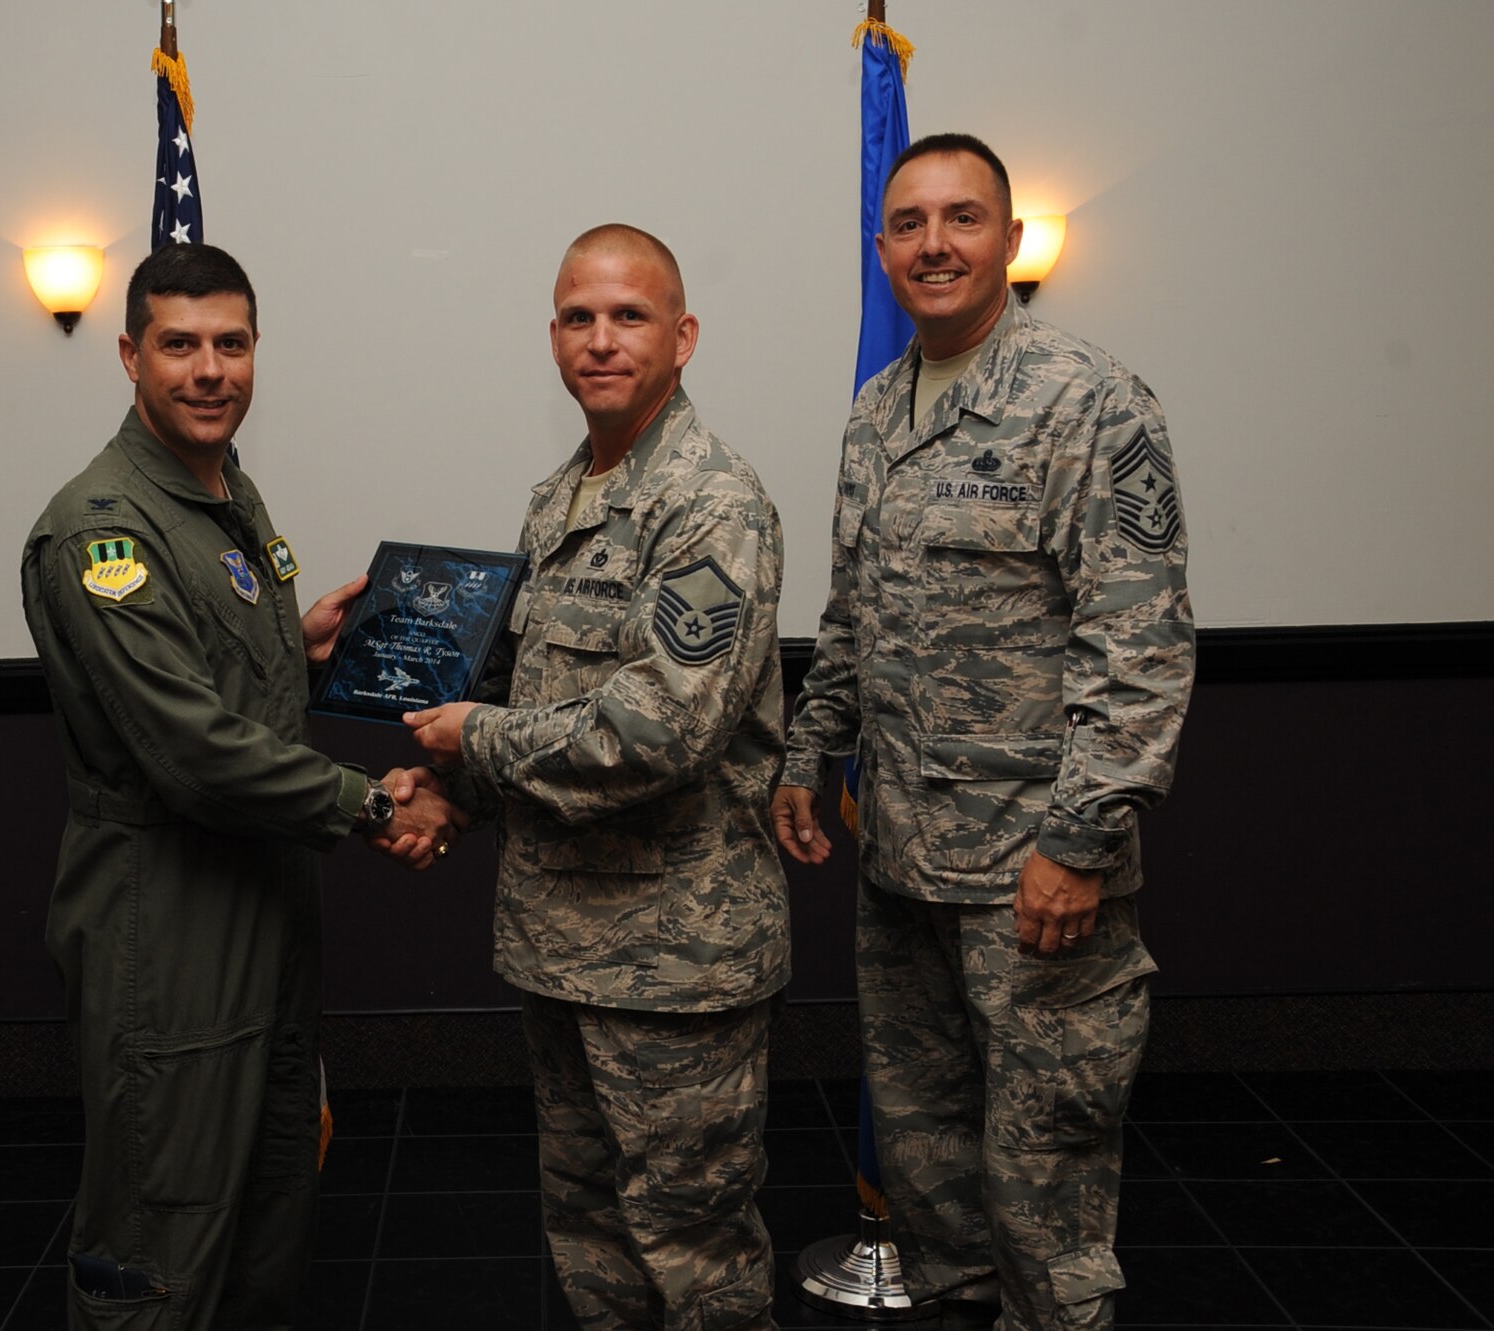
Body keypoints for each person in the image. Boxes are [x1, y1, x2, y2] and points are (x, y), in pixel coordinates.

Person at [776, 134, 1194, 1330]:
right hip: (901, 865)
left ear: (1008, 241)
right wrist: (808, 748)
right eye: (908, 223)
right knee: (932, 1178)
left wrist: (1077, 840)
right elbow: (852, 612)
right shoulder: (877, 411)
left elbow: (1139, 643)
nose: (934, 244)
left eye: (961, 218)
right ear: (881, 251)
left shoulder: (1086, 399)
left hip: (1030, 876)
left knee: (1043, 1185)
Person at [20, 242, 458, 1331]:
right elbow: (190, 748)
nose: (209, 370)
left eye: (231, 343)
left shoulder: (224, 490)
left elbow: (213, 676)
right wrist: (371, 804)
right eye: (179, 345)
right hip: (166, 922)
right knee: (161, 1237)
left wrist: (294, 649)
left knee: (269, 1214)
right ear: (130, 355)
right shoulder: (103, 528)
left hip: (265, 904)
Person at [401, 224, 789, 1329]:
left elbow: (661, 728)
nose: (601, 340)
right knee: (590, 1236)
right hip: (560, 942)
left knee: (693, 1249)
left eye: (629, 316)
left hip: (674, 961)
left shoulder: (710, 503)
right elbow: (532, 689)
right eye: (579, 317)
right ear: (553, 337)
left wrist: (475, 743)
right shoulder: (560, 497)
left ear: (684, 336)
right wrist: (451, 793)